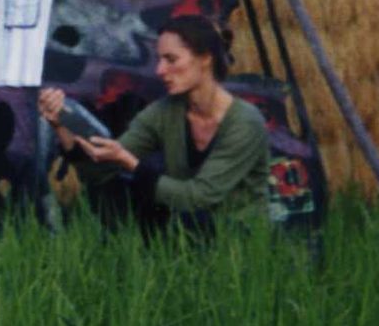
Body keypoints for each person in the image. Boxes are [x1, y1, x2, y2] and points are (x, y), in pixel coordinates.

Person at [38, 14, 269, 233]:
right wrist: (63, 127)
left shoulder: (245, 121)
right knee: (112, 190)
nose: (159, 70)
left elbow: (199, 197)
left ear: (206, 58)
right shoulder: (164, 112)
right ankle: (130, 258)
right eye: (159, 59)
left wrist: (130, 163)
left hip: (235, 233)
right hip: (185, 227)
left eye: (171, 59)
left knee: (156, 191)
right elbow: (102, 172)